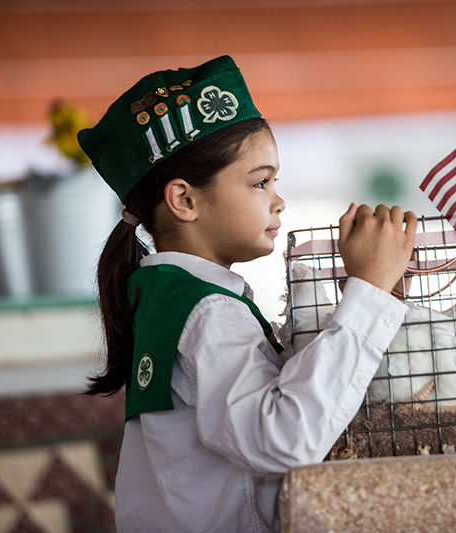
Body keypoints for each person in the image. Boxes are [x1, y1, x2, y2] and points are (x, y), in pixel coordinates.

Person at [78, 55, 417, 532]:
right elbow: (283, 438)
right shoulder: (209, 312)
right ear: (185, 200)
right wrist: (368, 293)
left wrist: (368, 296)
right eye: (260, 181)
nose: (278, 200)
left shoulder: (170, 298)